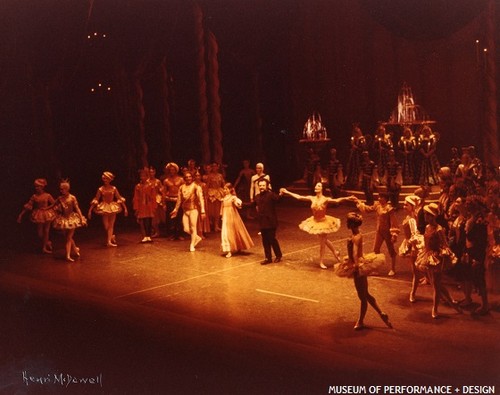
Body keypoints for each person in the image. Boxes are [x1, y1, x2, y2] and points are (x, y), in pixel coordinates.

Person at [280, 183, 355, 269]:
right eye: (315, 186)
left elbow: (336, 200)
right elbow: (299, 197)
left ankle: (321, 261)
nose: (316, 187)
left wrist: (347, 198)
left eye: (318, 186)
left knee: (322, 242)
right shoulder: (312, 198)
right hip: (315, 221)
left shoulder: (325, 199)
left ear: (322, 188)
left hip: (324, 222)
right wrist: (287, 192)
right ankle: (335, 252)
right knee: (324, 239)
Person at [339, 212, 393, 331]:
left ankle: (361, 321)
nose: (347, 224)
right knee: (365, 294)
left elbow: (355, 251)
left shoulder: (357, 237)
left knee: (362, 297)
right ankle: (381, 313)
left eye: (348, 222)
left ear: (352, 224)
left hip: (358, 267)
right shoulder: (354, 236)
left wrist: (356, 266)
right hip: (356, 264)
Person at [415, 203, 461, 319]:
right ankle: (451, 301)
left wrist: (444, 255)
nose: (425, 216)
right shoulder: (427, 227)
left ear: (432, 216)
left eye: (427, 214)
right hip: (427, 256)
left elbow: (445, 245)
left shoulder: (439, 229)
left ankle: (434, 309)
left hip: (436, 258)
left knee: (436, 285)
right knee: (437, 283)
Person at [356, 192, 399, 276]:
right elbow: (368, 209)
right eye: (379, 197)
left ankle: (393, 269)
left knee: (391, 251)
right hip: (379, 231)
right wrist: (359, 203)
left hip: (387, 233)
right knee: (375, 249)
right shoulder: (377, 206)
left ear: (385, 199)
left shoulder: (389, 209)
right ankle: (375, 269)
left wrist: (393, 234)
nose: (379, 199)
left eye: (381, 197)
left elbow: (393, 222)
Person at [88, 171, 128, 247]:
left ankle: (109, 241)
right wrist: (90, 210)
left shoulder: (114, 188)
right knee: (106, 226)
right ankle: (111, 236)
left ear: (110, 179)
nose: (105, 180)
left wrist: (125, 208)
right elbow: (96, 199)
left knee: (111, 225)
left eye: (107, 179)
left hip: (112, 207)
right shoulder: (100, 189)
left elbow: (119, 198)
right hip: (105, 207)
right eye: (104, 178)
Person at [17, 178, 56, 253]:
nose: (36, 188)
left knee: (46, 230)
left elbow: (54, 203)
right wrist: (21, 215)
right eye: (35, 186)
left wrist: (47, 207)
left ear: (42, 187)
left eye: (38, 186)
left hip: (47, 213)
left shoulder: (47, 195)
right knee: (40, 234)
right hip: (38, 214)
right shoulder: (34, 196)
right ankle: (47, 242)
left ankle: (44, 248)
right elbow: (28, 206)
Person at [170, 171, 206, 252]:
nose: (188, 178)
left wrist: (203, 211)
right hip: (185, 210)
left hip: (193, 209)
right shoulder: (181, 187)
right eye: (186, 177)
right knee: (186, 229)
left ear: (192, 177)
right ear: (184, 178)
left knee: (193, 228)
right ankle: (196, 237)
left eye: (190, 176)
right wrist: (175, 209)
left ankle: (192, 244)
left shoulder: (196, 187)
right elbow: (179, 200)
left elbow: (201, 199)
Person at [52, 179, 87, 262]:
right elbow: (53, 206)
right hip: (63, 219)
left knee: (68, 238)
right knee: (68, 237)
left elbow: (77, 208)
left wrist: (81, 218)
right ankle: (75, 249)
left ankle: (67, 255)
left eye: (62, 189)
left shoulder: (72, 197)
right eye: (60, 189)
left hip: (72, 219)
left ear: (67, 189)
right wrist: (56, 209)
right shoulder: (60, 198)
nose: (61, 191)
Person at [398, 195, 424, 302]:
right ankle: (413, 292)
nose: (404, 206)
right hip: (411, 245)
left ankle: (412, 293)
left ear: (412, 206)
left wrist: (413, 247)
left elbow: (414, 235)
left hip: (415, 247)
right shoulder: (411, 217)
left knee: (418, 273)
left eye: (406, 205)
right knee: (418, 273)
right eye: (404, 204)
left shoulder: (412, 220)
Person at [220, 183, 254, 257]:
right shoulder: (224, 198)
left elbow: (237, 202)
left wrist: (238, 203)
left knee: (235, 230)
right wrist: (222, 215)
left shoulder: (233, 197)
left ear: (230, 189)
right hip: (226, 216)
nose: (225, 190)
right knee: (226, 232)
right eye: (224, 189)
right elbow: (222, 207)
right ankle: (228, 250)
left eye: (226, 189)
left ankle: (238, 247)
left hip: (232, 216)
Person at [254, 179, 282, 264]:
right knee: (265, 240)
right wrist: (240, 204)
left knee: (272, 239)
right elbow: (252, 204)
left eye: (263, 185)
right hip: (262, 222)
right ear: (258, 186)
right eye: (260, 185)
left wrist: (281, 194)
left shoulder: (271, 195)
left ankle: (278, 255)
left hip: (271, 222)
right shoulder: (257, 196)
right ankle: (268, 258)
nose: (261, 187)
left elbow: (278, 199)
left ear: (266, 186)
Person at [133, 168, 157, 243]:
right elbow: (136, 197)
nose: (142, 177)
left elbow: (153, 196)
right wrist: (136, 207)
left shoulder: (151, 185)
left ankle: (148, 236)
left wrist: (154, 206)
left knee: (149, 220)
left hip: (149, 204)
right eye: (141, 176)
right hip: (141, 205)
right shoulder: (138, 186)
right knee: (142, 220)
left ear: (147, 177)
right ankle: (144, 236)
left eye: (144, 176)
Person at [163, 162, 185, 240]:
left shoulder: (181, 179)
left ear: (176, 171)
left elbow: (184, 190)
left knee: (179, 217)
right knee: (171, 218)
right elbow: (164, 192)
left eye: (173, 170)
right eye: (170, 170)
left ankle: (179, 234)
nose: (172, 171)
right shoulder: (166, 181)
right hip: (170, 200)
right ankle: (172, 234)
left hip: (178, 200)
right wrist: (164, 203)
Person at [148, 166, 165, 238]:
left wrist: (162, 200)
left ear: (154, 173)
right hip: (149, 200)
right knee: (150, 217)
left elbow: (162, 191)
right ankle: (154, 231)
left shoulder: (157, 181)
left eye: (152, 172)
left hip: (156, 200)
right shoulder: (147, 181)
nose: (151, 173)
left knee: (156, 217)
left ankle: (157, 231)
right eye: (150, 172)